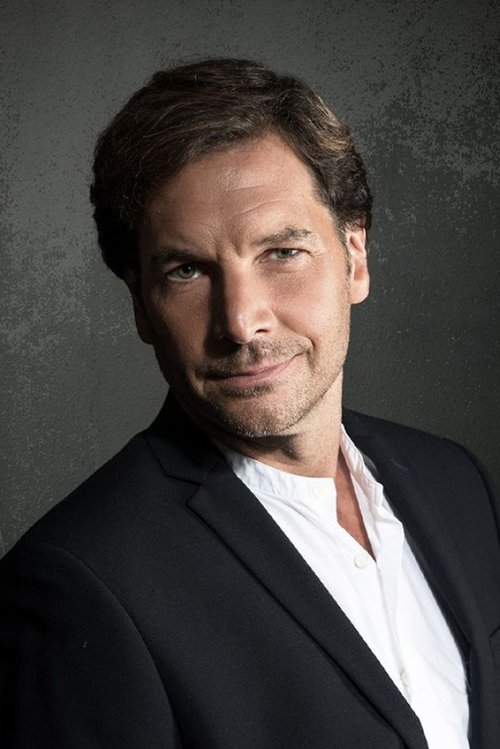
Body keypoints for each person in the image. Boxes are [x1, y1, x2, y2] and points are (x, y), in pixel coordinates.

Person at [1, 58, 499, 749]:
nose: (241, 321)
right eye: (187, 270)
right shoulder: (77, 584)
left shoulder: (456, 483)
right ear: (140, 303)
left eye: (281, 252)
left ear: (355, 257)